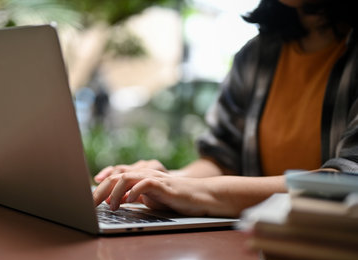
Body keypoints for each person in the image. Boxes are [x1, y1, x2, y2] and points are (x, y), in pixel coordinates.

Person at [92, 0, 358, 217]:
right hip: (252, 246)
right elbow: (222, 159)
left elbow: (348, 182)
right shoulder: (256, 55)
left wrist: (196, 191)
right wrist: (161, 180)